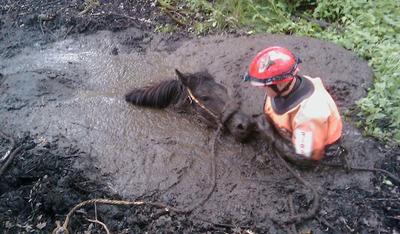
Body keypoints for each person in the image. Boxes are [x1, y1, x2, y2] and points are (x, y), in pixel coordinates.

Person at [243, 46, 343, 164]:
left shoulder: (309, 115)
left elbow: (304, 160)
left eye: (264, 86)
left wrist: (271, 136)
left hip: (319, 148)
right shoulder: (287, 86)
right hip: (294, 131)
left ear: (280, 85)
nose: (261, 89)